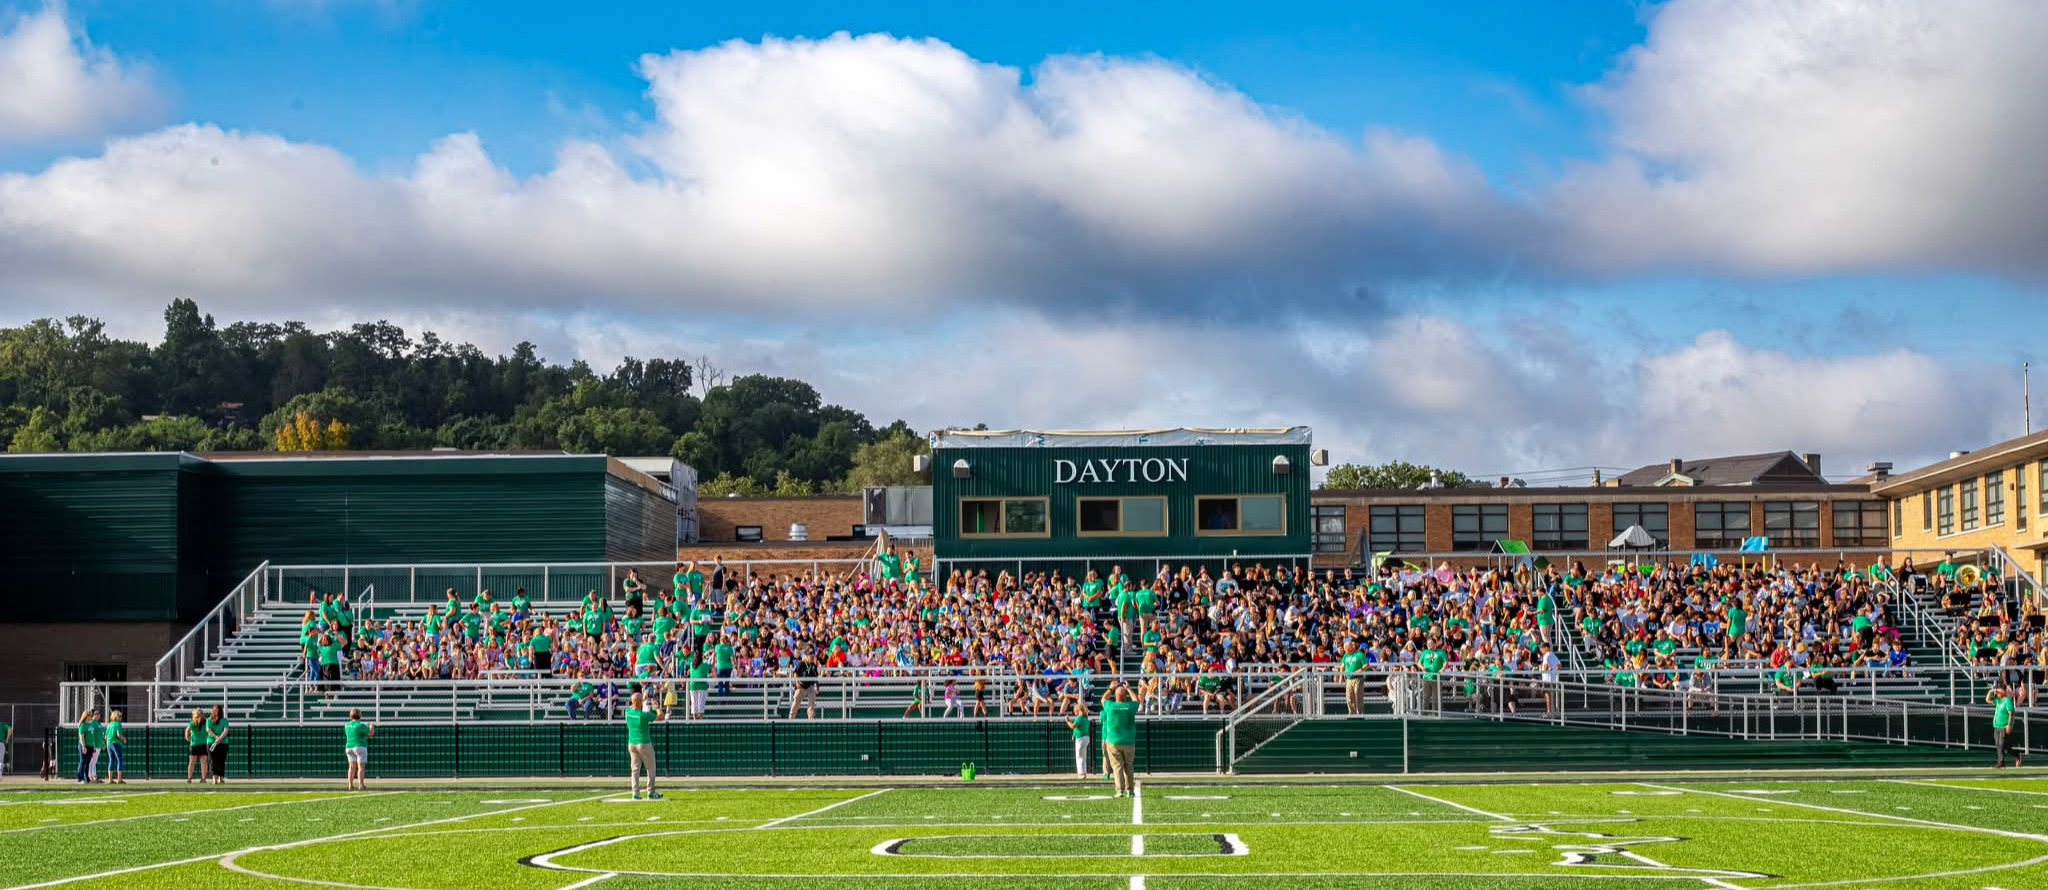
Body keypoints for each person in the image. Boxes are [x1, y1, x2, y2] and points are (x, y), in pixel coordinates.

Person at [1100, 682, 1139, 798]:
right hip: (1129, 741)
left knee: (1117, 767)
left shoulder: (1110, 706)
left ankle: (1120, 790)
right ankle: (1130, 791)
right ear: (1125, 696)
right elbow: (1137, 700)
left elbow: (1103, 698)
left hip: (1113, 741)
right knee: (1129, 766)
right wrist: (1129, 688)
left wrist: (1110, 689)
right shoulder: (1130, 706)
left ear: (1116, 696)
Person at [624, 691, 663, 800]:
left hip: (632, 743)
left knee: (635, 769)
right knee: (650, 768)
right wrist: (657, 707)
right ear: (641, 702)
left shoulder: (627, 712)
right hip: (644, 742)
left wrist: (642, 698)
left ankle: (635, 793)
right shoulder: (644, 715)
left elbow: (633, 705)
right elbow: (661, 717)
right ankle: (651, 792)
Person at [1989, 680, 2023, 768]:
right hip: (1997, 725)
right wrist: (1992, 691)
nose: (1997, 692)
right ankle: (2016, 755)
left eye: (1999, 690)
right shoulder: (1998, 700)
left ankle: (2001, 762)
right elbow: (1987, 699)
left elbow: (2011, 713)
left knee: (2001, 744)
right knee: (2001, 745)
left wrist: (2009, 725)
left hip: (2004, 725)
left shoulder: (2007, 700)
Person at [343, 708, 375, 790]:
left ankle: (350, 785)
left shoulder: (346, 725)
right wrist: (371, 727)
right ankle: (361, 784)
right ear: (360, 715)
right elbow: (370, 734)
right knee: (361, 767)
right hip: (359, 746)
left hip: (349, 747)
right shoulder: (361, 725)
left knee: (351, 767)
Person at [1340, 640, 1369, 715]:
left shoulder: (1360, 654)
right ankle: (1351, 712)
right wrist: (1341, 676)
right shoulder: (1345, 656)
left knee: (1358, 695)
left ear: (1350, 647)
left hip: (1358, 678)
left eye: (1347, 649)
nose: (1346, 651)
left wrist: (1360, 670)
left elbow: (1366, 665)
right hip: (1349, 679)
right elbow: (1342, 666)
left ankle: (1359, 712)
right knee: (1349, 697)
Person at [75, 708, 102, 784]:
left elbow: (92, 736)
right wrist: (83, 746)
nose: (91, 716)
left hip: (90, 746)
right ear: (86, 716)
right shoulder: (82, 725)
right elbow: (81, 736)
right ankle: (80, 778)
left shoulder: (90, 724)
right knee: (83, 761)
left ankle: (87, 778)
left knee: (87, 762)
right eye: (89, 715)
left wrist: (93, 746)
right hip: (84, 745)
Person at [789, 655, 820, 720]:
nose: (811, 657)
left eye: (812, 656)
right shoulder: (801, 664)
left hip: (810, 686)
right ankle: (791, 718)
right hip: (801, 686)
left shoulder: (814, 666)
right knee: (796, 702)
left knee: (811, 703)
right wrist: (797, 682)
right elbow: (795, 673)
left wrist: (817, 687)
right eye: (810, 656)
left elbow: (816, 677)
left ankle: (811, 719)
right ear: (806, 657)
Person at [206, 704, 231, 784]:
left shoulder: (225, 720)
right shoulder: (209, 720)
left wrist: (219, 738)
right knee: (213, 760)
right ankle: (215, 778)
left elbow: (225, 731)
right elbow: (208, 730)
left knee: (220, 761)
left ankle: (220, 778)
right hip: (212, 742)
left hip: (222, 743)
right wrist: (217, 737)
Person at [1066, 702, 1091, 778]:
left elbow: (1073, 726)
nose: (1074, 711)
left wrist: (1067, 721)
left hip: (1080, 738)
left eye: (1075, 709)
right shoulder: (1085, 718)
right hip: (1086, 737)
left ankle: (1081, 773)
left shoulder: (1079, 718)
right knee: (1083, 755)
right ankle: (1084, 772)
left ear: (1078, 710)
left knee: (1079, 755)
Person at [185, 709, 208, 783]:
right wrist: (187, 737)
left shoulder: (205, 722)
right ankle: (193, 778)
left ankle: (195, 778)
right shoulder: (193, 723)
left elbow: (187, 731)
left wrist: (187, 737)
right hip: (197, 744)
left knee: (197, 761)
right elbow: (187, 730)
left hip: (199, 744)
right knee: (197, 761)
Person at [105, 710, 126, 784]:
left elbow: (106, 736)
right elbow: (118, 734)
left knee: (111, 760)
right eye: (119, 716)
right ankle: (119, 779)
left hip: (109, 744)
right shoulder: (118, 724)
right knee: (119, 760)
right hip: (116, 743)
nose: (120, 718)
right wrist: (123, 739)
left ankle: (110, 779)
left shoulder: (109, 724)